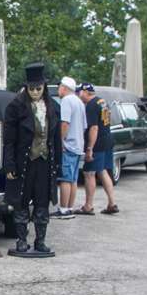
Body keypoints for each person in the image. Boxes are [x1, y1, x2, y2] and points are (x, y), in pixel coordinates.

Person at [3, 62, 61, 258]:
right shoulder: (15, 106)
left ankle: (41, 241)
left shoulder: (53, 106)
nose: (35, 92)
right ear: (26, 87)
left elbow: (56, 139)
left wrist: (58, 163)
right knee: (20, 201)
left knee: (42, 202)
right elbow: (9, 139)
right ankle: (21, 241)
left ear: (44, 87)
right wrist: (9, 164)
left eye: (39, 88)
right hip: (23, 161)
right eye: (31, 88)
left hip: (45, 161)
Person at [77, 83, 119, 214]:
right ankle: (112, 203)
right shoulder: (102, 101)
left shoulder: (91, 105)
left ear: (85, 92)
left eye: (79, 92)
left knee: (89, 173)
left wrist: (89, 148)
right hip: (107, 139)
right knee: (102, 171)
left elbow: (94, 128)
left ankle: (88, 206)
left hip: (98, 143)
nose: (78, 95)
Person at [56, 76, 85, 218]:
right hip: (79, 145)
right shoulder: (79, 102)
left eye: (60, 86)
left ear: (65, 88)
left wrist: (61, 141)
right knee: (73, 179)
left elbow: (65, 123)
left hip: (68, 145)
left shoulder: (66, 101)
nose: (58, 89)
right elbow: (84, 126)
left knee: (65, 179)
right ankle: (70, 207)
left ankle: (63, 209)